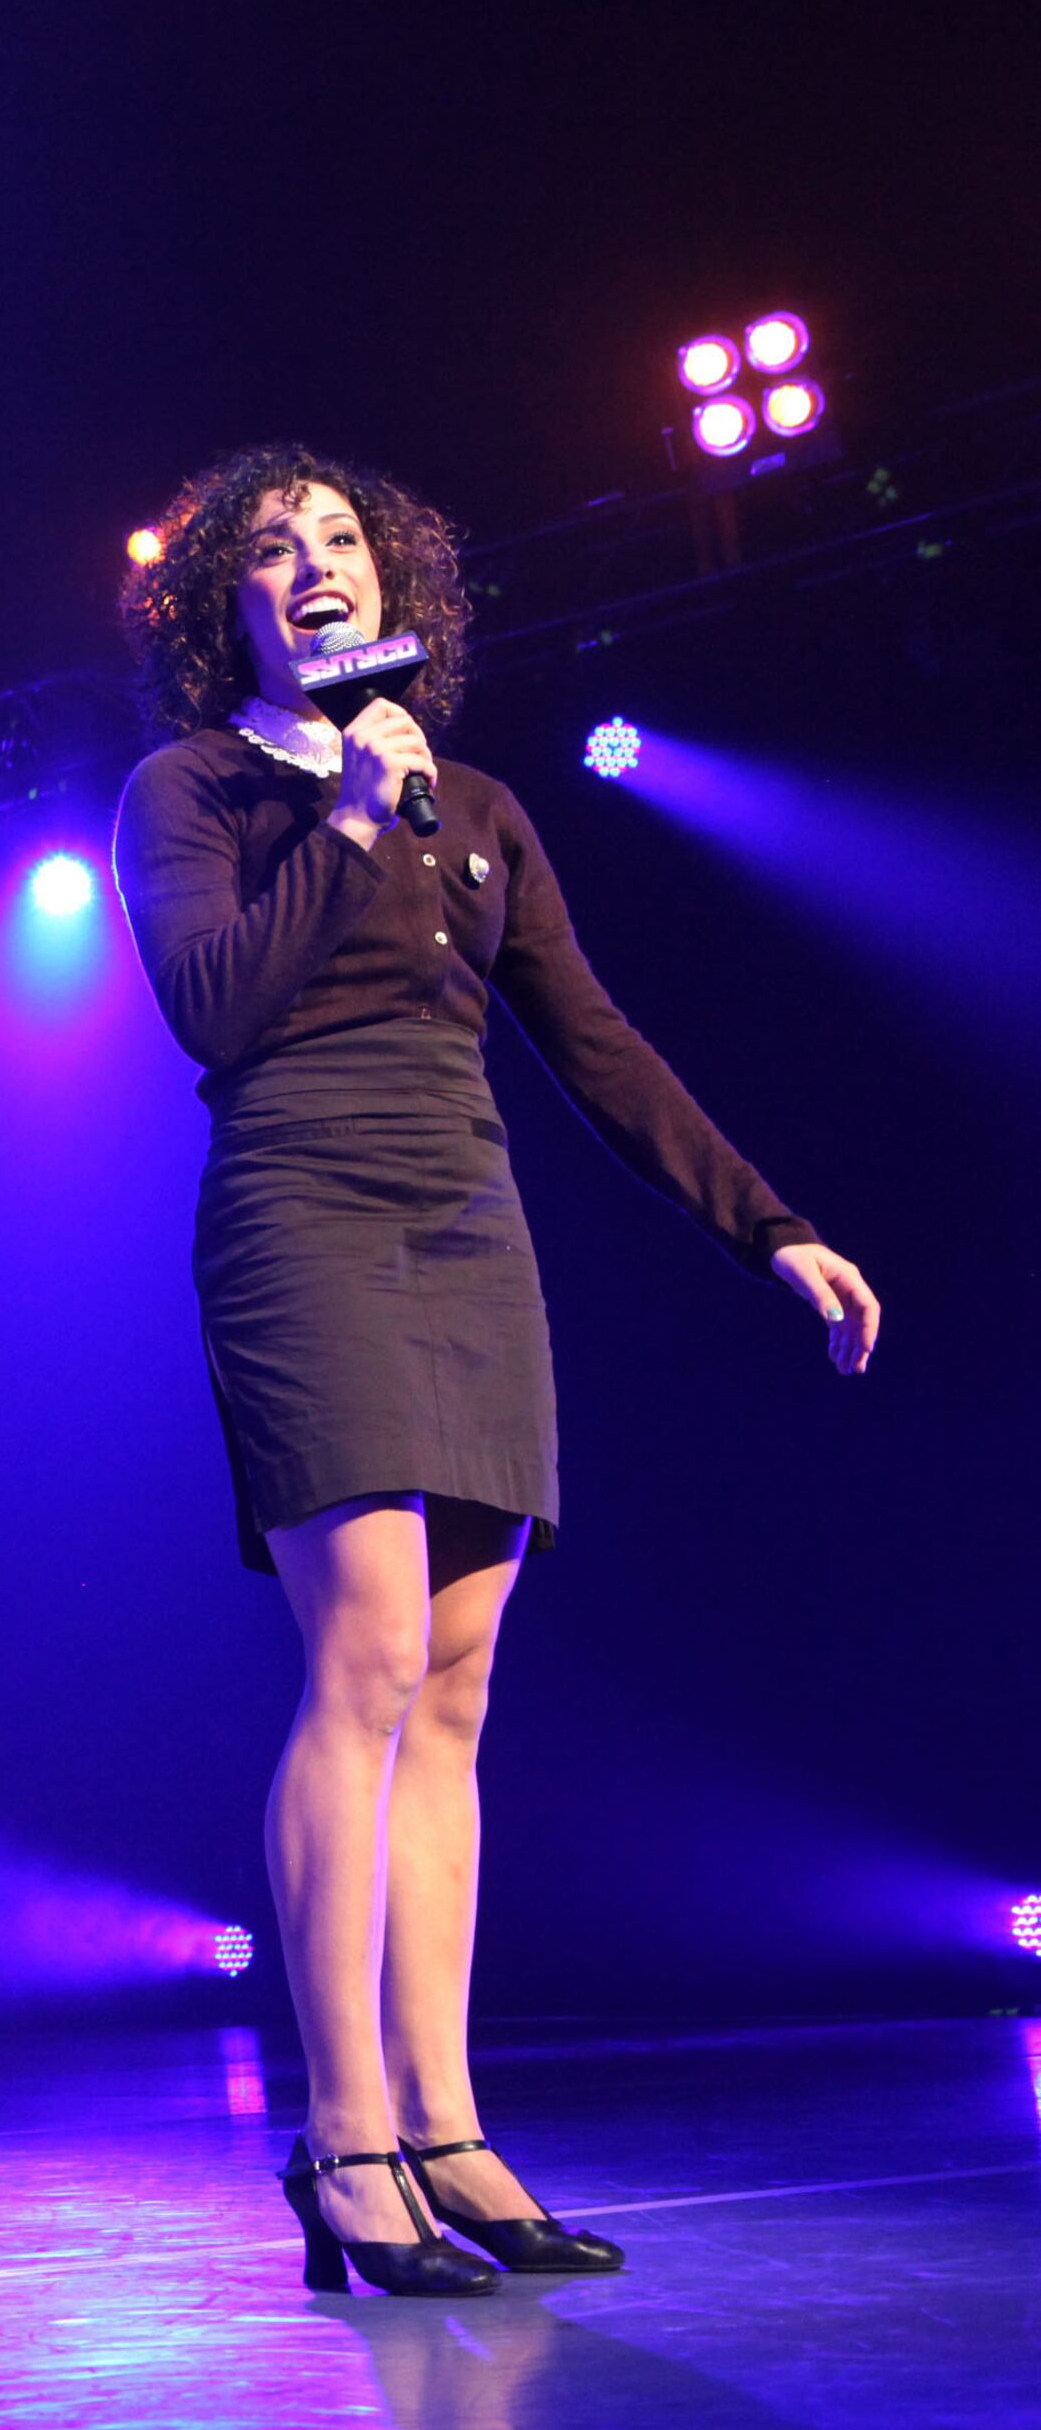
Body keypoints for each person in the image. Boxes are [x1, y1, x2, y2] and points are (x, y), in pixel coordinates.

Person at [111, 446, 881, 2297]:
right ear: (230, 608)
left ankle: (450, 2130)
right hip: (303, 1209)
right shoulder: (194, 787)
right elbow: (211, 1007)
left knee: (453, 1694)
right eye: (274, 551)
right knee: (363, 1652)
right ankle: (345, 2139)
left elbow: (595, 1045)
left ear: (400, 589)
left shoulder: (483, 808)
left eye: (344, 543)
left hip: (470, 1222)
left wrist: (767, 1224)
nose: (314, 567)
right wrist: (351, 820)